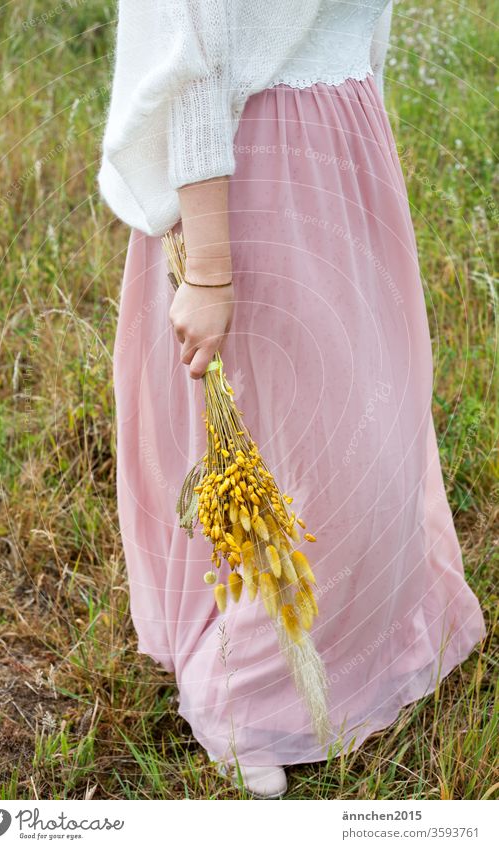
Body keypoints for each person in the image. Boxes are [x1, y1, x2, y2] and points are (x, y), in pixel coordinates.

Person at [98, 1, 486, 798]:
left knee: (375, 412)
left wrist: (360, 155)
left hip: (341, 149)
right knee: (315, 444)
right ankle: (240, 696)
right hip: (253, 172)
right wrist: (208, 268)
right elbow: (193, 59)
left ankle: (363, 641)